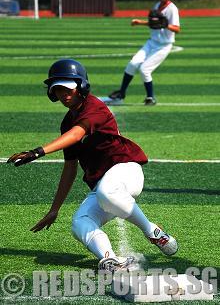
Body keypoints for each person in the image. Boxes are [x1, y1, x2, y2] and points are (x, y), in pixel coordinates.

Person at [7, 59, 178, 272]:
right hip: (102, 186)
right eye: (58, 89)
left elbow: (78, 133)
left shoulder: (95, 106)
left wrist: (37, 152)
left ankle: (152, 232)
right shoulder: (67, 122)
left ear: (81, 87)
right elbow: (70, 167)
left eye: (68, 88)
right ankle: (110, 259)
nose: (63, 94)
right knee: (79, 222)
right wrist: (54, 209)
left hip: (127, 171)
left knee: (107, 193)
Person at [108, 0, 180, 106]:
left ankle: (150, 98)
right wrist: (140, 22)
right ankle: (121, 93)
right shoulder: (157, 5)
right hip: (151, 42)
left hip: (163, 46)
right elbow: (154, 23)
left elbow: (177, 29)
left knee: (144, 69)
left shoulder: (172, 9)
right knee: (132, 63)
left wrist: (166, 25)